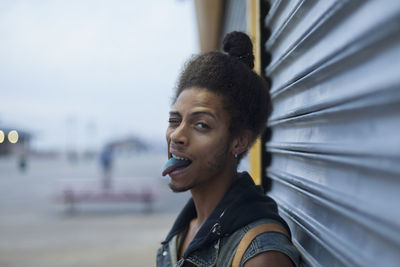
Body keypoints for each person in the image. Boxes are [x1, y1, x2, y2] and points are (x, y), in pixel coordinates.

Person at [157, 32, 300, 267]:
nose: (177, 135)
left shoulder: (261, 257)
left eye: (201, 124)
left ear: (239, 141)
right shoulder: (185, 229)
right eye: (174, 120)